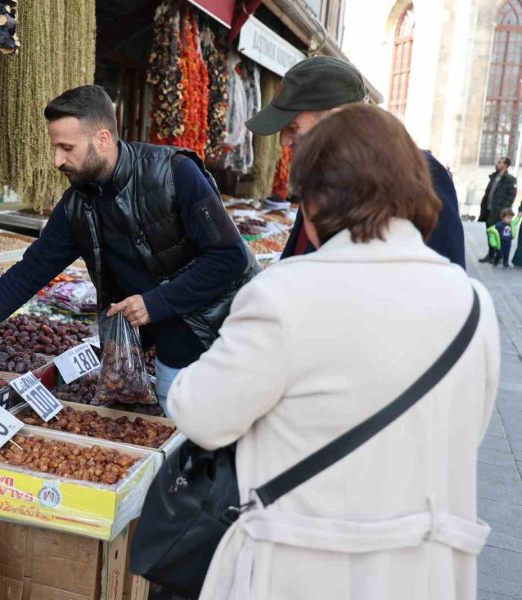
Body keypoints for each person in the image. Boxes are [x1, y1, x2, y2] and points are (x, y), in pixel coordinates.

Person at [166, 104, 498, 600]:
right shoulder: (474, 303)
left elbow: (199, 414)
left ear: (318, 200)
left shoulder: (285, 294)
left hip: (307, 569)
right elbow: (465, 428)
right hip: (426, 572)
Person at [0, 85, 257, 409]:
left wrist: (157, 302)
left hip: (218, 335)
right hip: (160, 347)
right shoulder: (78, 205)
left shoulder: (174, 173)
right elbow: (29, 272)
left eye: (67, 148)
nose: (56, 161)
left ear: (102, 139)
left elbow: (230, 257)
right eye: (55, 147)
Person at [246, 56, 466, 268]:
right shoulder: (318, 172)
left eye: (293, 127)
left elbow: (444, 279)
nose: (284, 140)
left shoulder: (420, 173)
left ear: (336, 117)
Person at [478, 157, 518, 263]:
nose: (497, 164)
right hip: (488, 210)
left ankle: (499, 255)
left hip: (499, 213)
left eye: (499, 162)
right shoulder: (494, 177)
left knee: (499, 235)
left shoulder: (510, 180)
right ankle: (491, 254)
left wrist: (502, 210)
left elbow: (511, 197)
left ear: (505, 165)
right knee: (490, 233)